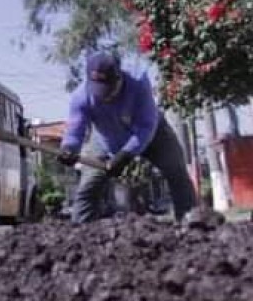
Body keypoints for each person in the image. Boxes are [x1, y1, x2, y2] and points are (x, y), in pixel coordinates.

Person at [57, 51, 196, 224]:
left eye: (108, 89)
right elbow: (75, 128)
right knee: (88, 187)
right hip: (104, 141)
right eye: (99, 91)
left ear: (119, 77)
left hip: (152, 135)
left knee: (176, 170)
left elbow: (146, 126)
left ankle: (191, 223)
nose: (104, 96)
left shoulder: (138, 84)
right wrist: (69, 148)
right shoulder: (81, 97)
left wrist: (125, 155)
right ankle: (78, 232)